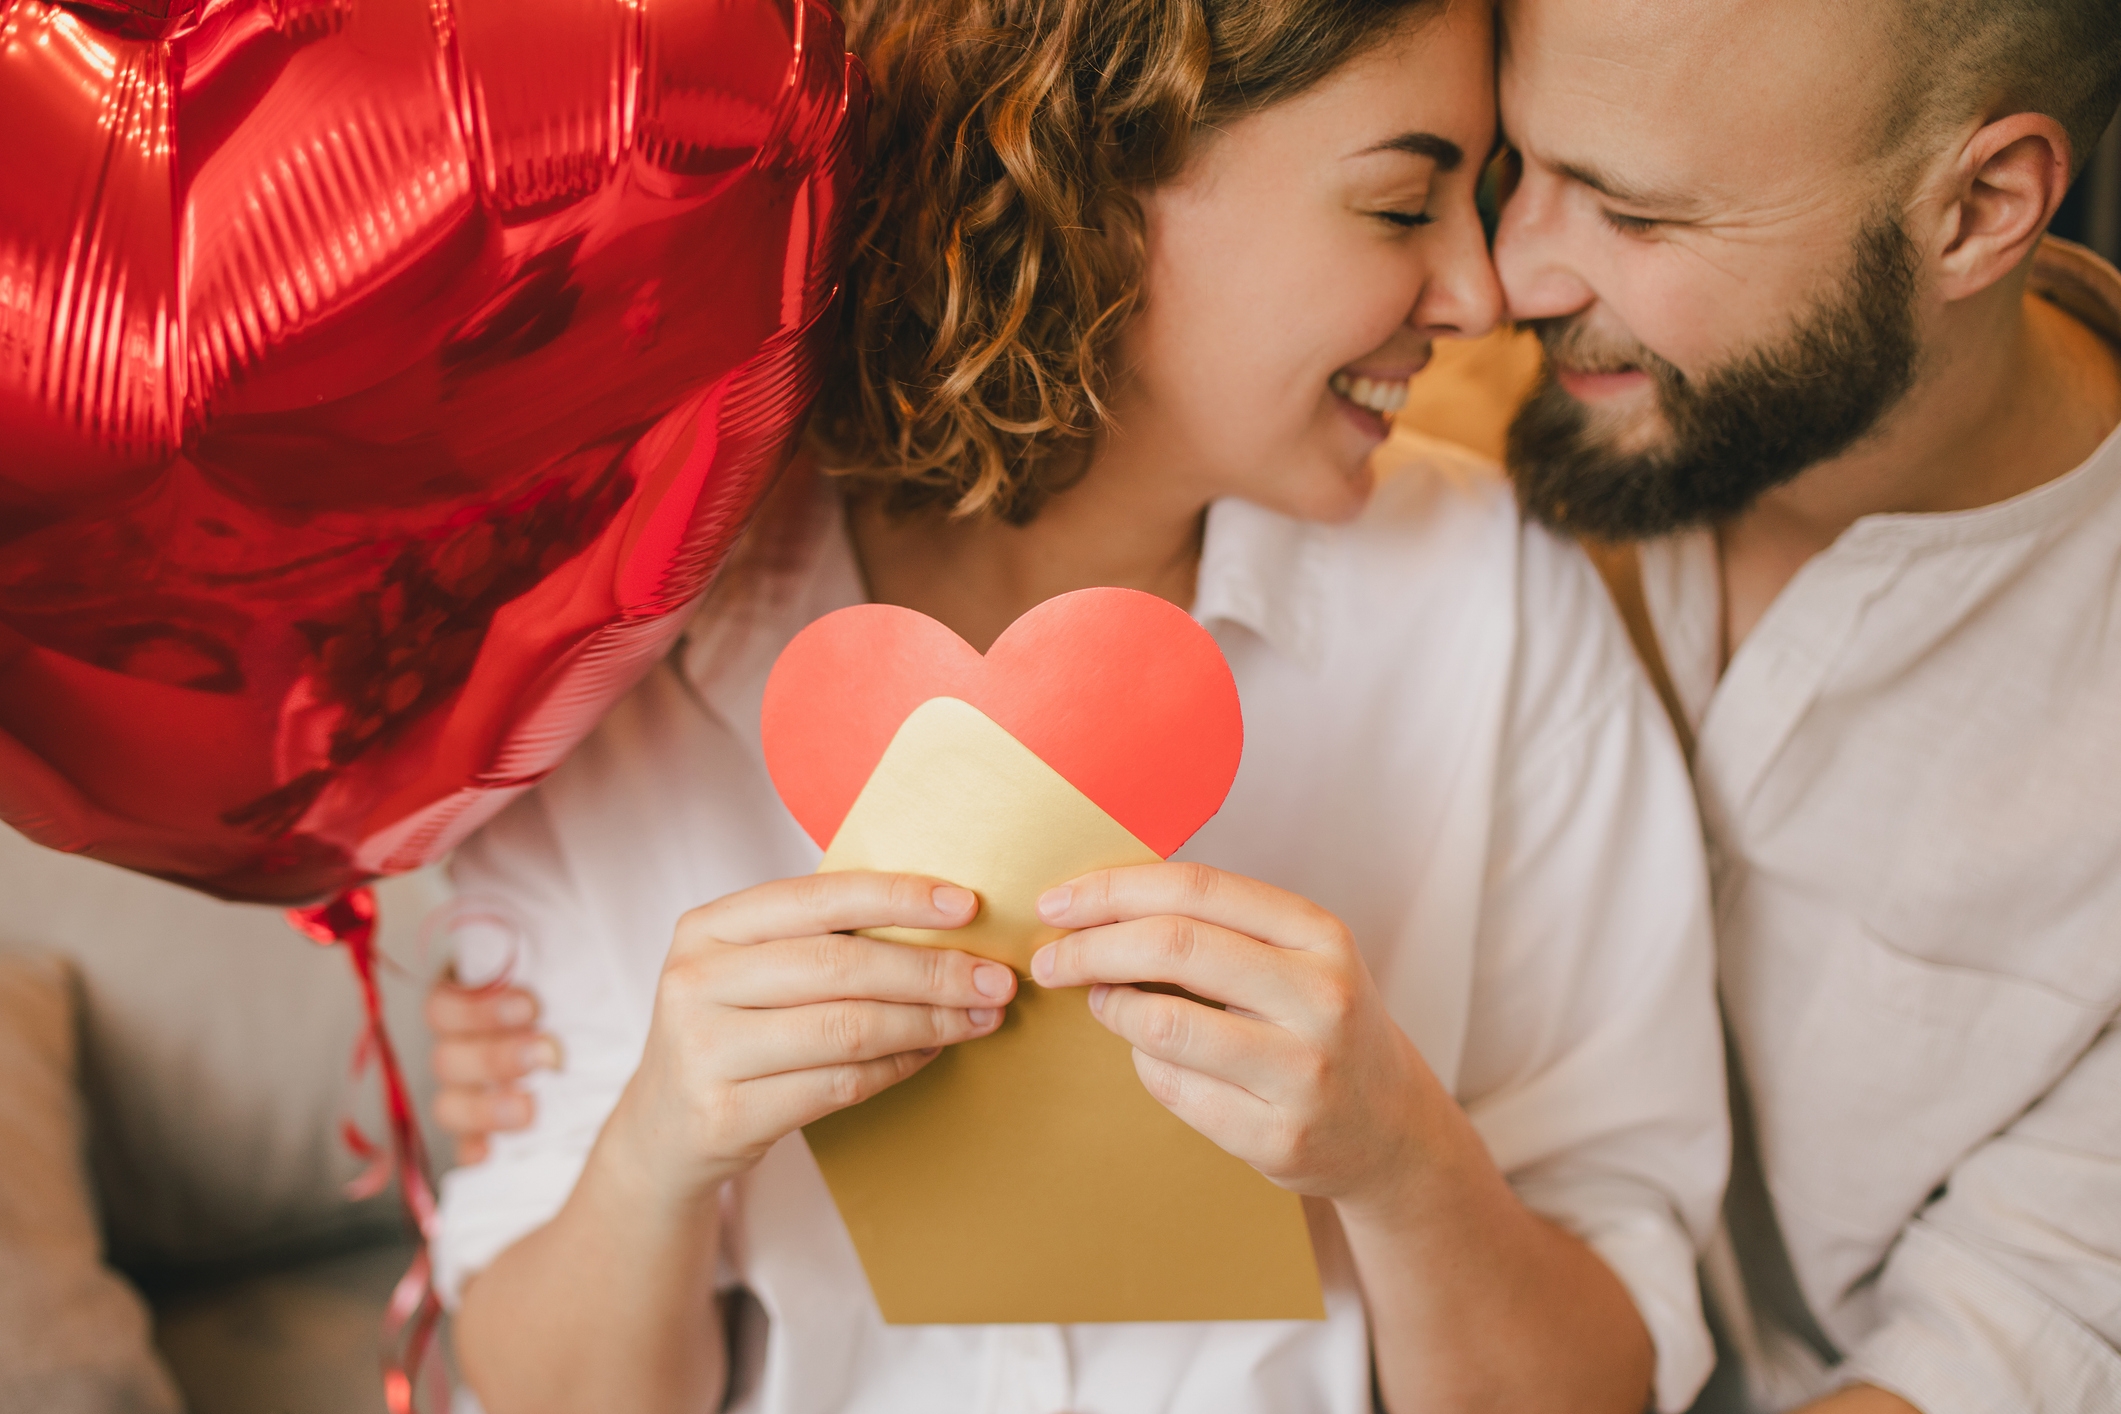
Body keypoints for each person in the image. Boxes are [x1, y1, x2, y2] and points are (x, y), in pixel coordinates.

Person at [424, 1, 1730, 1411]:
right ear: (1078, 179)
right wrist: (659, 1149)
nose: (1478, 295)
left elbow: (1607, 1371)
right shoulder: (622, 642)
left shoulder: (1493, 604)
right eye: (1399, 204)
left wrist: (1400, 1160)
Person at [1491, 2, 2121, 1411]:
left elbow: (2017, 1331)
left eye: (1634, 217)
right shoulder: (1414, 407)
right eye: (1511, 163)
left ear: (1976, 207)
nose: (1507, 272)